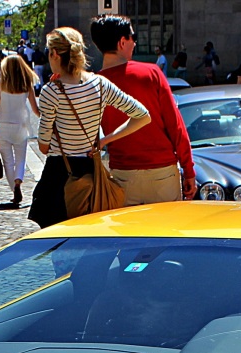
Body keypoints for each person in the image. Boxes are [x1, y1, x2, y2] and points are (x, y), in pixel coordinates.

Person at [29, 27, 151, 228]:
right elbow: (142, 115)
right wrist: (105, 140)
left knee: (58, 241)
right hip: (91, 171)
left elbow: (43, 147)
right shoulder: (100, 84)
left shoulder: (51, 92)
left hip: (60, 176)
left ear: (55, 54)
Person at [92, 15, 195, 205]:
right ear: (122, 42)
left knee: (128, 234)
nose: (135, 42)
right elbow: (175, 125)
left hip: (122, 174)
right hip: (161, 171)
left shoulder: (93, 84)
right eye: (132, 36)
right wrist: (188, 170)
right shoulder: (151, 73)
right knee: (166, 233)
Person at [0, 54, 40, 205]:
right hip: (21, 127)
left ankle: (14, 189)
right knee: (20, 159)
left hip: (3, 126)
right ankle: (18, 181)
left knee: (8, 162)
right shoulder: (26, 84)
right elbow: (36, 109)